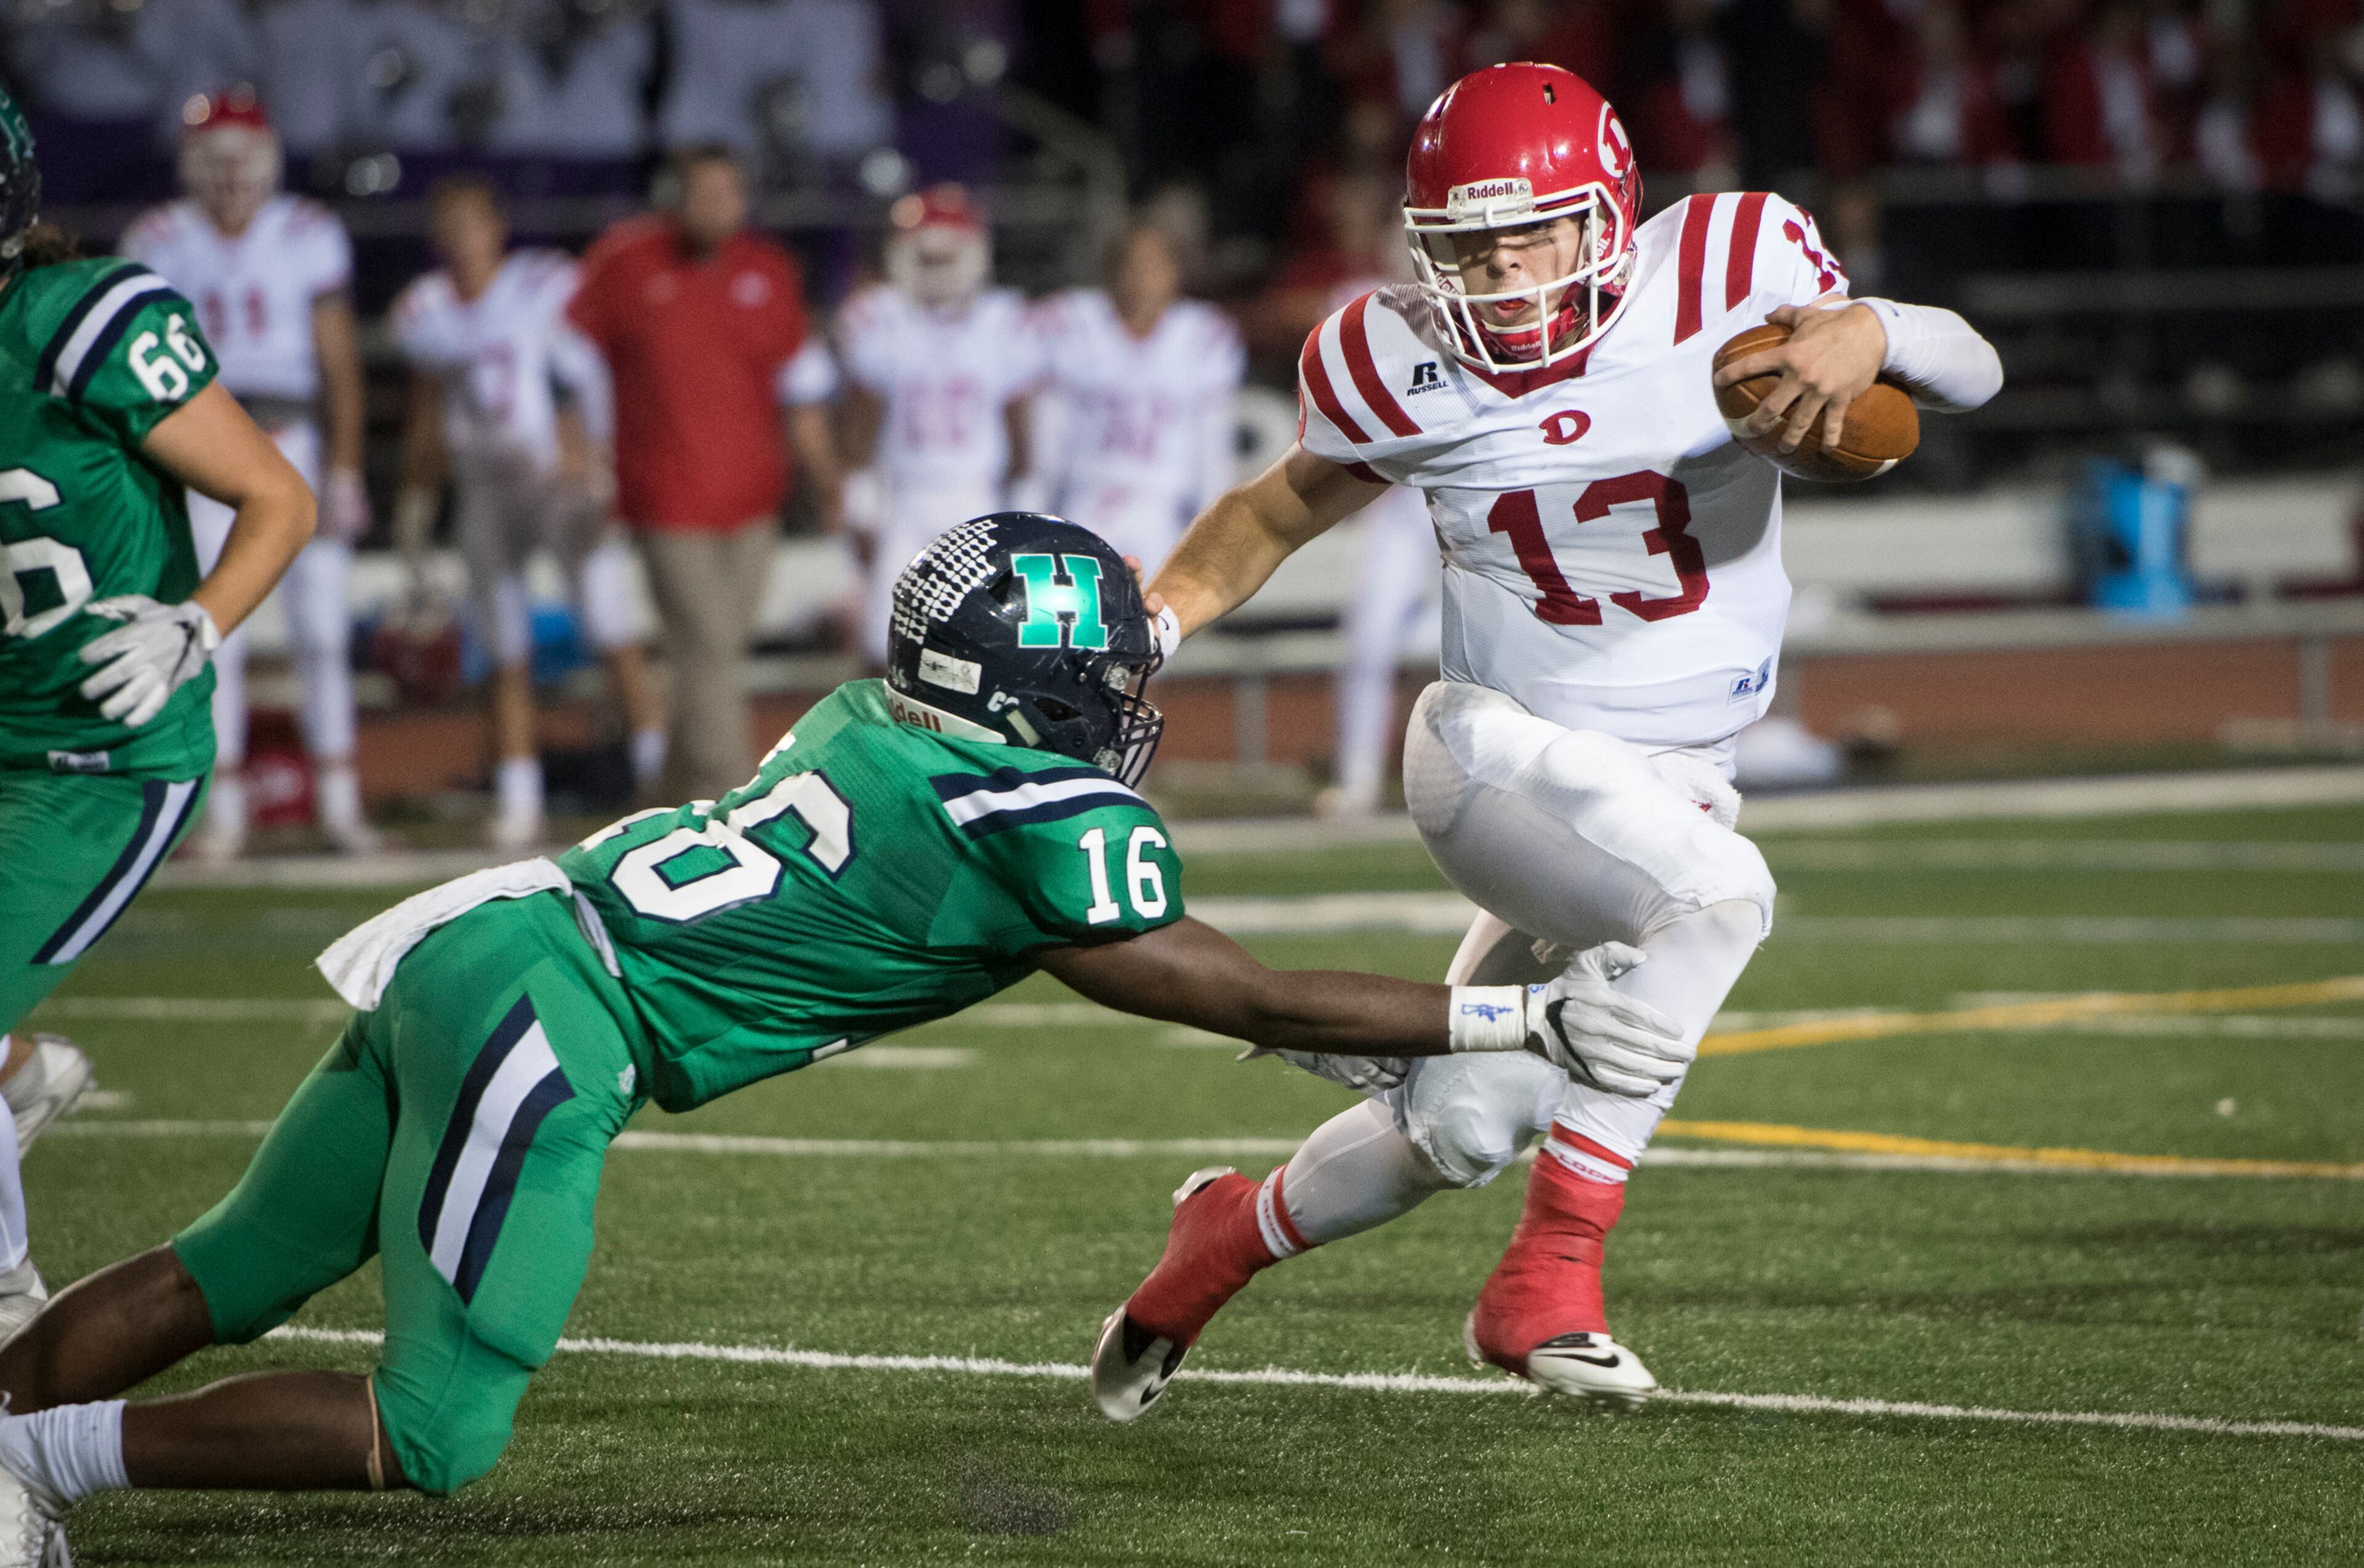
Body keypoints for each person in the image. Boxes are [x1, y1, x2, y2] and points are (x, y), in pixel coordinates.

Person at [0, 515, 1680, 1557]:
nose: (1115, 713)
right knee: (433, 1433)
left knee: (229, 1263)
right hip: (551, 1018)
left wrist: (1402, 1037)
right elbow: (1227, 990)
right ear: (1027, 700)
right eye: (1094, 681)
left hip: (490, 935)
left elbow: (1153, 977)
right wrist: (1509, 1006)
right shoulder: (1032, 817)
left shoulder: (870, 721)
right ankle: (37, 1459)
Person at [1093, 62, 2003, 1413]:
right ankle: (1551, 1273)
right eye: (1469, 244)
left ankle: (1214, 1241)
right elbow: (1276, 511)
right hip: (1493, 751)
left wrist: (1872, 327)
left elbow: (1972, 371)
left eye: (1535, 233)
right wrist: (1146, 634)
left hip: (1675, 774)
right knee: (1721, 898)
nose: (1505, 275)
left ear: (1613, 214)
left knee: (1462, 1122)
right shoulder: (1391, 356)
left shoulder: (1734, 266)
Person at [0, 90, 315, 1336]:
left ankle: (11, 1325)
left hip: (103, 751)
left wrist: (200, 621)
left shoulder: (77, 325)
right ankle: (15, 1077)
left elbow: (276, 497)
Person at [118, 87, 376, 859]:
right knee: (208, 630)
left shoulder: (307, 232)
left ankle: (339, 799)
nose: (230, 176)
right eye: (214, 160)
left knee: (322, 632)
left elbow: (340, 363)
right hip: (205, 448)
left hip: (294, 439)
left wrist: (349, 467)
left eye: (243, 158)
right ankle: (218, 807)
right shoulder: (158, 237)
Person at [390, 177, 664, 851]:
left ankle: (661, 783)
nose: (463, 241)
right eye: (449, 228)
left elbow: (578, 373)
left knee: (613, 633)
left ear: (497, 227)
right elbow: (427, 411)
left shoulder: (544, 285)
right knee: (503, 648)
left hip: (558, 485)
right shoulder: (426, 310)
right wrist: (417, 501)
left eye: (472, 224)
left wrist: (590, 464)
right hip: (487, 491)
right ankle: (520, 801)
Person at [567, 144, 842, 803]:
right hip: (666, 498)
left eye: (730, 192)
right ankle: (744, 801)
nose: (718, 205)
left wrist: (826, 477)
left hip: (754, 502)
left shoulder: (768, 270)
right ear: (676, 197)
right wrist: (576, 445)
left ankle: (662, 800)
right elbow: (563, 362)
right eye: (705, 191)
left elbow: (799, 389)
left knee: (706, 662)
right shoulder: (626, 262)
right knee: (713, 655)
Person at [837, 184, 1042, 665]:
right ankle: (881, 740)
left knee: (989, 641)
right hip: (906, 497)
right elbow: (862, 423)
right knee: (882, 639)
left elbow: (1020, 427)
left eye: (946, 259)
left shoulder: (1005, 321)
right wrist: (860, 498)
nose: (936, 272)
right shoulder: (879, 318)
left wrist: (1025, 504)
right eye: (925, 260)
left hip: (977, 497)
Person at [1031, 220, 1244, 574]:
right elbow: (1050, 442)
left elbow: (1212, 453)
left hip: (1162, 508)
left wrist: (1214, 538)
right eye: (1130, 265)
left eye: (1153, 266)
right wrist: (1039, 515)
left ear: (1176, 273)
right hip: (1088, 501)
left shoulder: (1204, 335)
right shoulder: (1075, 324)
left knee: (1158, 620)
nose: (1141, 278)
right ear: (1111, 273)